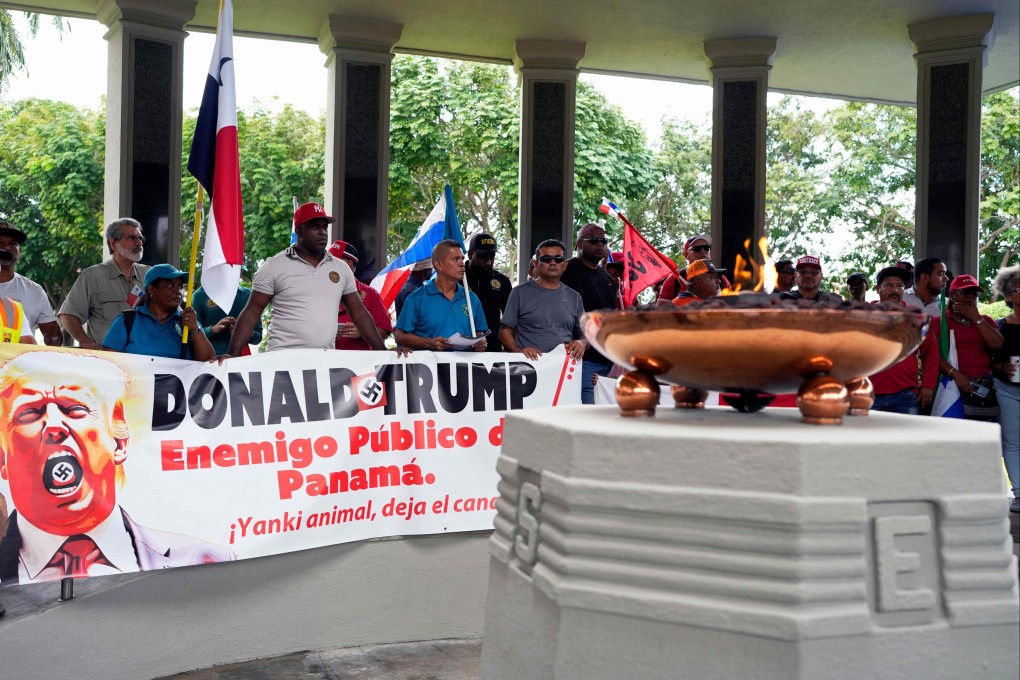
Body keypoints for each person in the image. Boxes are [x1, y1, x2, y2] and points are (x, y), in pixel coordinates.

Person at [0, 352, 234, 584]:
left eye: (74, 409)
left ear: (120, 443)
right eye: (29, 413)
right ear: (2, 459)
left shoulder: (203, 558)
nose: (53, 426)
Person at [222, 203, 386, 356]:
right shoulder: (273, 266)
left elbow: (359, 313)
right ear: (299, 231)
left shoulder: (341, 269)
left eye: (324, 227)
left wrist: (384, 353)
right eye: (315, 227)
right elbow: (252, 312)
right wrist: (231, 355)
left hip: (323, 362)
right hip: (283, 361)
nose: (322, 232)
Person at [919, 274, 1004, 420]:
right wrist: (956, 374)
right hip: (951, 387)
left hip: (981, 387)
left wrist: (976, 318)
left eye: (974, 294)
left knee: (981, 439)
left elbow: (998, 345)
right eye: (965, 292)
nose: (970, 297)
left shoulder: (985, 320)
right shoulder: (939, 322)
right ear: (952, 295)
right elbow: (932, 356)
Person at [58, 218, 150, 350]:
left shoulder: (149, 275)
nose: (139, 243)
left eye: (140, 238)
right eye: (132, 238)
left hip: (144, 357)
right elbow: (68, 314)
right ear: (113, 243)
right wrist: (85, 341)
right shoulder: (91, 276)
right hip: (108, 358)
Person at [101, 264, 215, 361]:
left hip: (176, 387)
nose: (178, 292)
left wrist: (195, 329)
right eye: (170, 285)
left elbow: (208, 361)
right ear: (151, 289)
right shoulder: (127, 320)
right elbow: (108, 363)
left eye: (180, 287)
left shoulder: (187, 322)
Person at [499, 239, 586, 361]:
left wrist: (582, 343)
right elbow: (504, 332)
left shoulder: (575, 297)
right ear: (535, 264)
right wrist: (520, 353)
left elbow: (587, 334)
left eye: (558, 259)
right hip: (528, 368)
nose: (553, 263)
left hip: (564, 369)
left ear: (565, 265)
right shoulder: (519, 293)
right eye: (546, 259)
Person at [560, 224, 618, 403]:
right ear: (579, 244)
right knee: (587, 416)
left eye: (603, 240)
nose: (600, 244)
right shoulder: (566, 270)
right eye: (593, 240)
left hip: (605, 360)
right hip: (579, 359)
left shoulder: (606, 278)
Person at [395, 240, 487, 352]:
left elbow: (479, 332)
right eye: (455, 259)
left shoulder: (471, 298)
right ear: (439, 264)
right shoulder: (416, 298)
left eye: (462, 258)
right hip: (429, 368)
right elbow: (400, 337)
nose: (462, 264)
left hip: (463, 368)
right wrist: (428, 343)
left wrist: (481, 342)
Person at [868, 265, 921, 415]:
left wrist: (929, 386)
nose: (895, 290)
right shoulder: (862, 315)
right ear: (878, 288)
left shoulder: (915, 317)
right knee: (867, 439)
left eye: (900, 286)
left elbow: (931, 351)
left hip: (906, 395)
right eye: (889, 285)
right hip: (869, 394)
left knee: (907, 439)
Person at [0, 221, 61, 346]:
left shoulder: (33, 291)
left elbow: (52, 334)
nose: (5, 247)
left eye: (12, 243)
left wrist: (50, 359)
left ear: (20, 251)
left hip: (15, 363)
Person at [989, 265, 1020, 512]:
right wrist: (1002, 366)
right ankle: (1019, 493)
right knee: (1012, 442)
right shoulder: (999, 326)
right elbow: (989, 361)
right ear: (1008, 296)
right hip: (1007, 389)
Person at [328, 240, 393, 350]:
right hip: (324, 363)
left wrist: (362, 332)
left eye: (331, 262)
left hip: (360, 364)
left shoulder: (371, 294)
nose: (327, 266)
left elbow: (385, 331)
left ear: (348, 264)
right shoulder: (321, 290)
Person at [464, 233, 512, 352]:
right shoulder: (458, 278)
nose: (489, 262)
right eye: (483, 257)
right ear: (470, 254)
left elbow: (510, 319)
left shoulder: (502, 281)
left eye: (492, 257)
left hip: (492, 348)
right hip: (460, 347)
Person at [193, 285, 263, 356]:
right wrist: (212, 330)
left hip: (239, 360)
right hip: (210, 359)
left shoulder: (247, 295)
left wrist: (243, 332)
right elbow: (192, 334)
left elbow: (258, 337)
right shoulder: (199, 295)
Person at [657, 234, 730, 300]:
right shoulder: (675, 279)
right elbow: (661, 310)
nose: (703, 251)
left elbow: (732, 307)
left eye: (706, 247)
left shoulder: (722, 279)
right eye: (697, 248)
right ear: (686, 254)